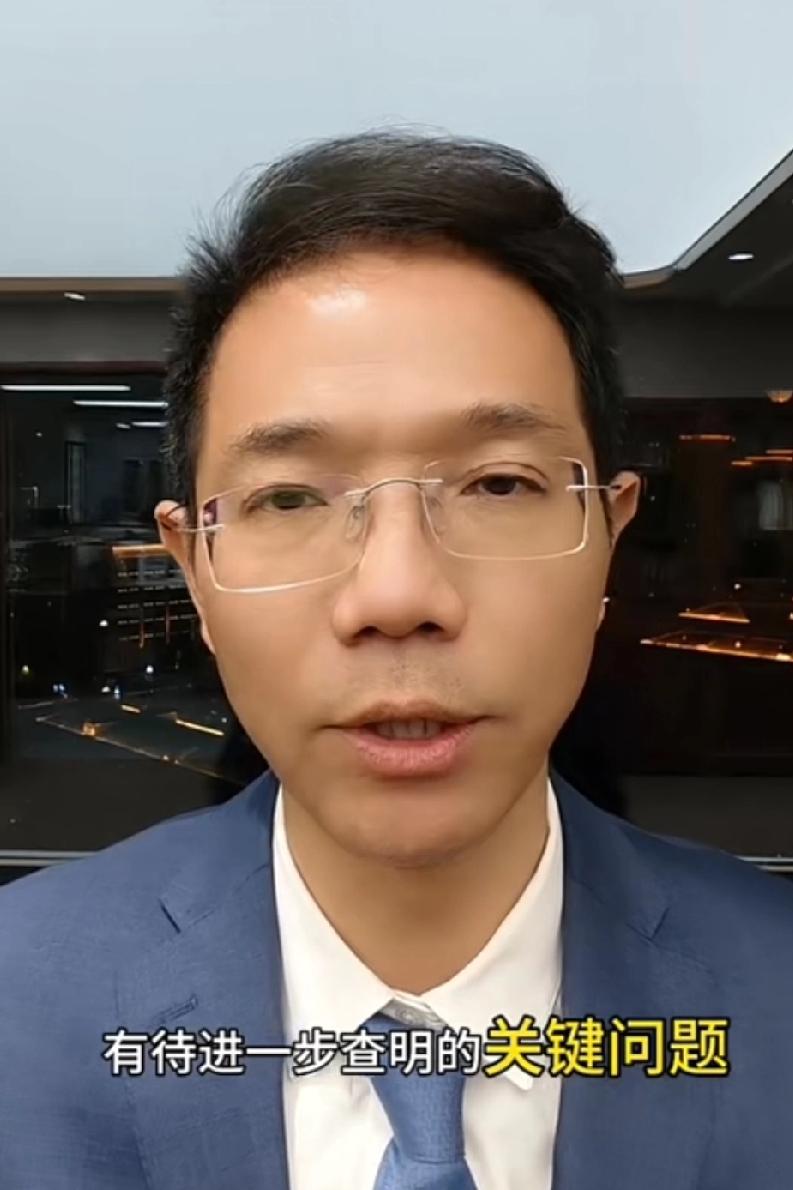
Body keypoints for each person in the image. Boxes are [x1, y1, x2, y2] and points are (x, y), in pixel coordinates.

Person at [1, 130, 792, 1190]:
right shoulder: (17, 1002)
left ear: (608, 536)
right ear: (194, 570)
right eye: (290, 496)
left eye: (498, 484)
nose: (397, 595)